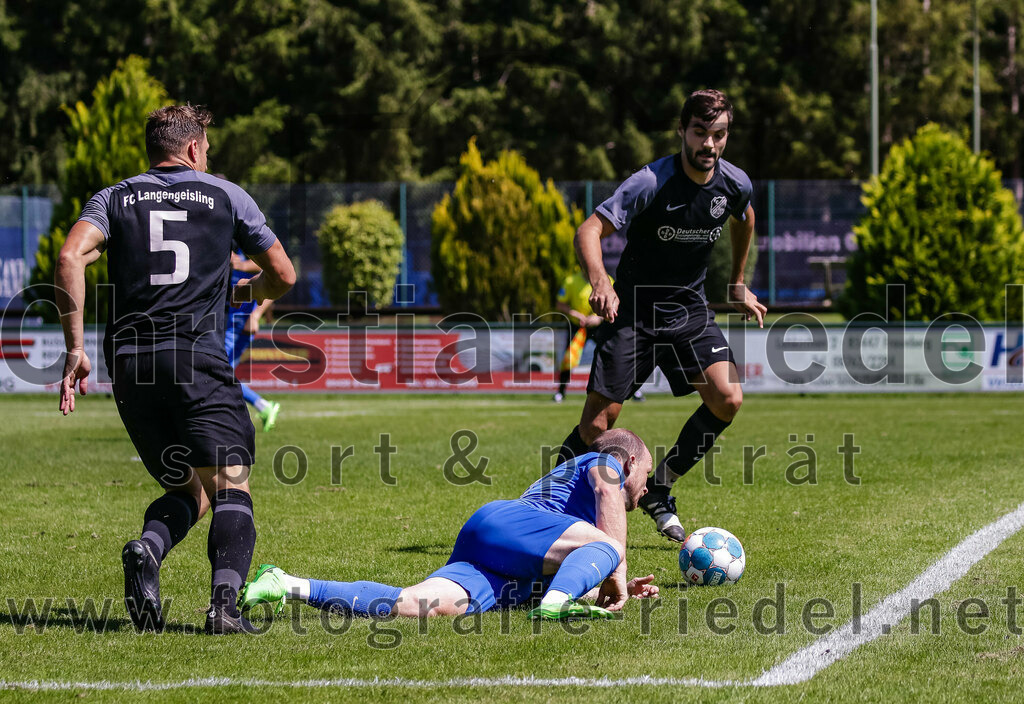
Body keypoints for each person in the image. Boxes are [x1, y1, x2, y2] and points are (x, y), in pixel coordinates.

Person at [55, 104, 296, 634]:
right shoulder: (227, 196)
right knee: (231, 484)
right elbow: (282, 273)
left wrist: (75, 347)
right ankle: (224, 610)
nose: (207, 155)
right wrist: (247, 292)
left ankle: (148, 548)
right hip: (195, 358)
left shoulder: (114, 198)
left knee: (192, 489)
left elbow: (71, 256)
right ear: (192, 148)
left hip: (130, 365)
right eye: (206, 147)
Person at [555, 89, 767, 543]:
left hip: (689, 308)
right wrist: (600, 280)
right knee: (596, 425)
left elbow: (746, 217)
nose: (708, 144)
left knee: (728, 398)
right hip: (633, 310)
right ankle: (553, 498)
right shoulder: (651, 182)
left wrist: (738, 281)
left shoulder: (735, 183)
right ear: (682, 132)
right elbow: (589, 229)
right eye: (699, 133)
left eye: (718, 134)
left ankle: (660, 486)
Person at [239, 428, 660, 620]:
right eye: (647, 476)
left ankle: (286, 583)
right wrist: (615, 568)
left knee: (412, 605)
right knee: (611, 545)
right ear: (630, 462)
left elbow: (563, 561)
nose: (646, 490)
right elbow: (608, 495)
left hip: (497, 552)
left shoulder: (578, 528)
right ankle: (554, 610)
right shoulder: (604, 462)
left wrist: (591, 590)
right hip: (506, 525)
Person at [226, 250, 281, 431]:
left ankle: (261, 407)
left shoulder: (252, 244)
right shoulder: (229, 241)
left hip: (240, 324)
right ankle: (262, 406)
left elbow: (276, 277)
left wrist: (255, 315)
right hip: (225, 321)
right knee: (221, 373)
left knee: (219, 372)